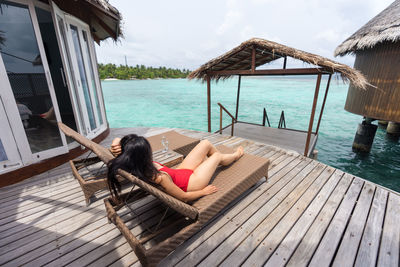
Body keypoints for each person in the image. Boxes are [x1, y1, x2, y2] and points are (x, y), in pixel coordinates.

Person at [107, 134, 244, 202]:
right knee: (217, 156)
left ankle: (213, 165)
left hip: (179, 173)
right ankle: (235, 156)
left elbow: (116, 142)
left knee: (205, 143)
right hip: (192, 183)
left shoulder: (132, 163)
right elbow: (184, 197)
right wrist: (203, 192)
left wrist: (119, 144)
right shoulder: (159, 178)